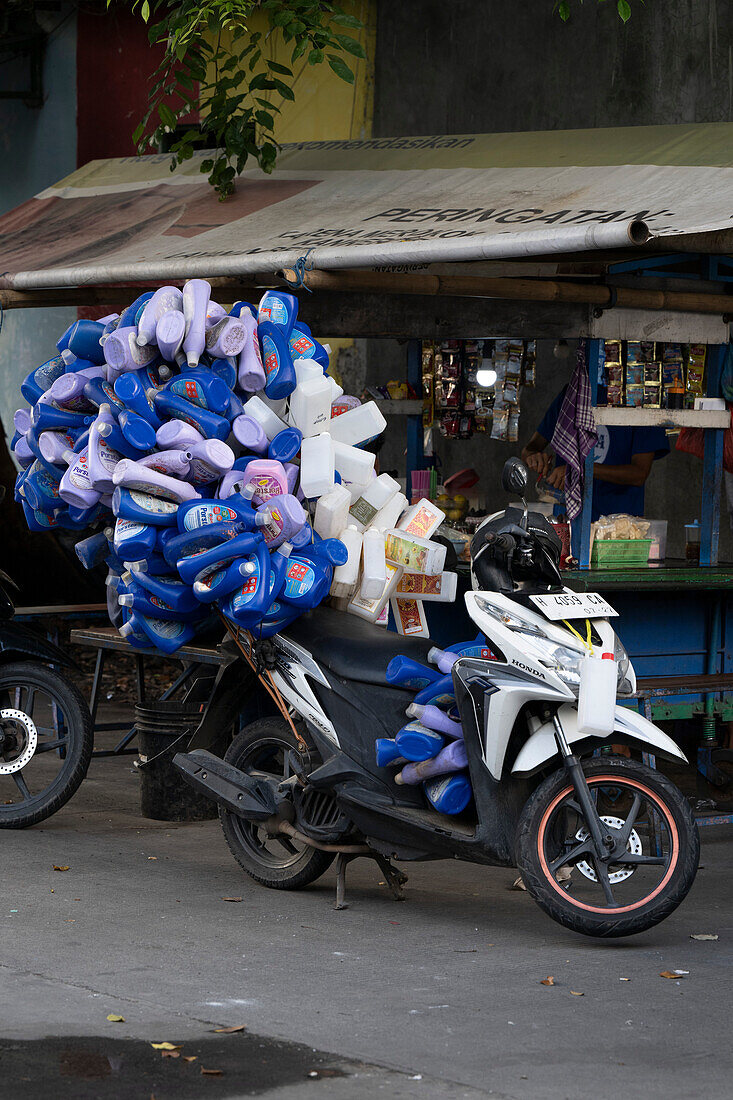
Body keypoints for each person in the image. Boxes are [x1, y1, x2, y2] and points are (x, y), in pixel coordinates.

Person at [521, 387, 669, 521]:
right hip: (568, 518)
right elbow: (529, 450)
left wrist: (580, 469)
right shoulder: (573, 394)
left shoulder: (638, 398)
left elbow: (639, 474)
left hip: (619, 523)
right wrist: (534, 457)